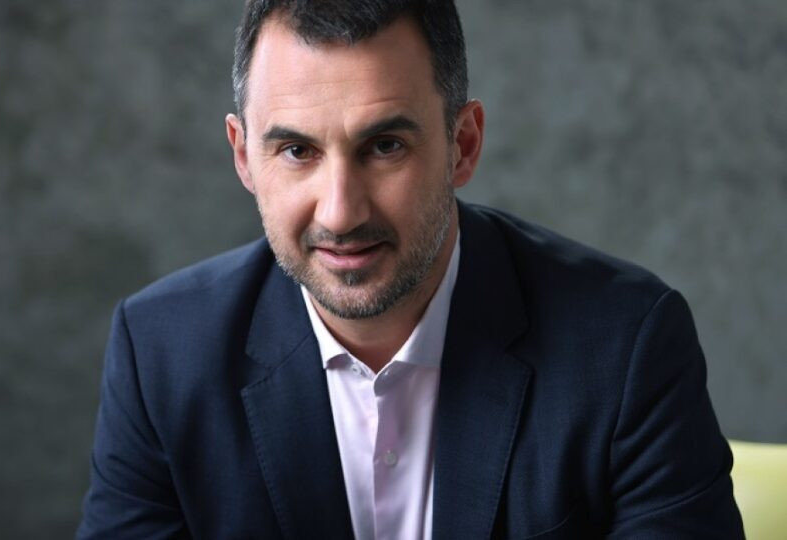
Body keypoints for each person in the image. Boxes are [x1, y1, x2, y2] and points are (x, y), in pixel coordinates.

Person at [77, 1, 744, 538]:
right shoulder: (160, 355)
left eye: (385, 146)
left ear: (463, 144)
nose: (340, 212)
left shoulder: (625, 345)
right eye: (297, 151)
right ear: (244, 156)